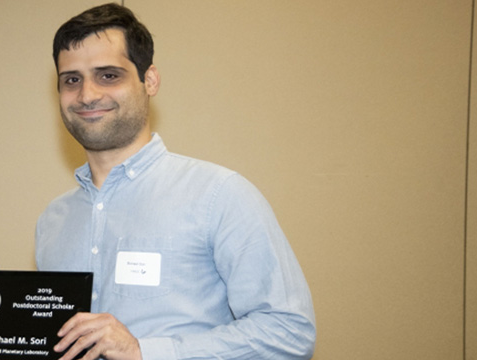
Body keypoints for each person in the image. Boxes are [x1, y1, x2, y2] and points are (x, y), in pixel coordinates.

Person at [35, 3, 316, 360]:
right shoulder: (52, 221)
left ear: (149, 80)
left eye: (109, 75)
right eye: (71, 80)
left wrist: (145, 352)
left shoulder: (219, 195)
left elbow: (289, 331)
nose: (87, 95)